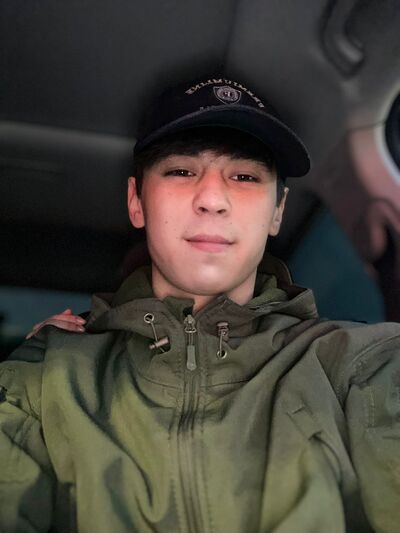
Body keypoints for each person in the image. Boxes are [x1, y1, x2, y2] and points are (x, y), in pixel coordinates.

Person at [1, 76, 399, 533]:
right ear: (136, 201)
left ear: (278, 211)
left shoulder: (360, 366)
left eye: (245, 177)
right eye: (181, 171)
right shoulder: (46, 377)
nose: (212, 199)